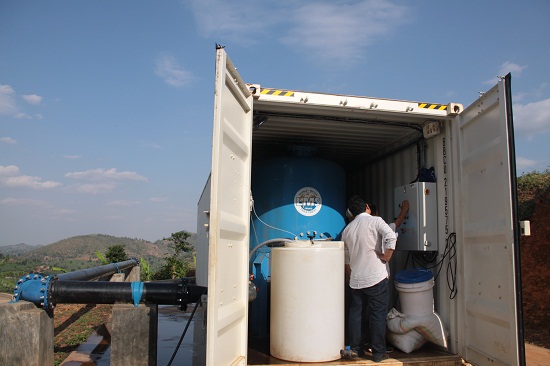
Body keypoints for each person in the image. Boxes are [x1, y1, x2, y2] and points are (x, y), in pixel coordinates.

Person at [340, 195, 397, 362]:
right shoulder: (376, 221)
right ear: (367, 207)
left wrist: (350, 277)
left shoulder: (347, 230)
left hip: (356, 280)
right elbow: (391, 236)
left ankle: (356, 349)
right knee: (377, 315)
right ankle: (379, 353)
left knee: (356, 314)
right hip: (376, 277)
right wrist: (386, 256)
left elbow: (346, 260)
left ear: (351, 213)